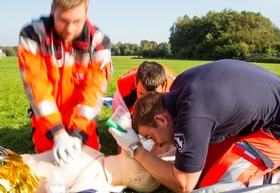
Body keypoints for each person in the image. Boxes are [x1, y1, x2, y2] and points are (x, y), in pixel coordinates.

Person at [109, 59, 280, 192]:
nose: (156, 144)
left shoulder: (194, 116)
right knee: (198, 164)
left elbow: (183, 184)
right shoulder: (180, 87)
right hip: (262, 112)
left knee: (214, 187)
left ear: (162, 120)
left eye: (150, 137)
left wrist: (136, 149)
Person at [18, 0, 112, 166]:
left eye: (77, 21)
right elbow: (37, 88)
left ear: (86, 13)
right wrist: (58, 133)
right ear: (53, 10)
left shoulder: (98, 41)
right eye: (63, 20)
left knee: (90, 167)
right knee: (49, 169)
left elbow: (93, 94)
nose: (69, 29)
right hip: (46, 122)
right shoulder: (33, 35)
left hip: (83, 122)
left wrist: (77, 135)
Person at [0, 145, 160, 193]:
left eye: (145, 161)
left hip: (11, 181)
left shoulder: (98, 185)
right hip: (10, 156)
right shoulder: (99, 156)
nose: (143, 153)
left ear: (135, 179)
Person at [112, 61, 176, 114]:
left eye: (154, 94)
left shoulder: (175, 90)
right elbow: (119, 123)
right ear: (135, 82)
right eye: (142, 93)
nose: (147, 100)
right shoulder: (124, 90)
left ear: (164, 85)